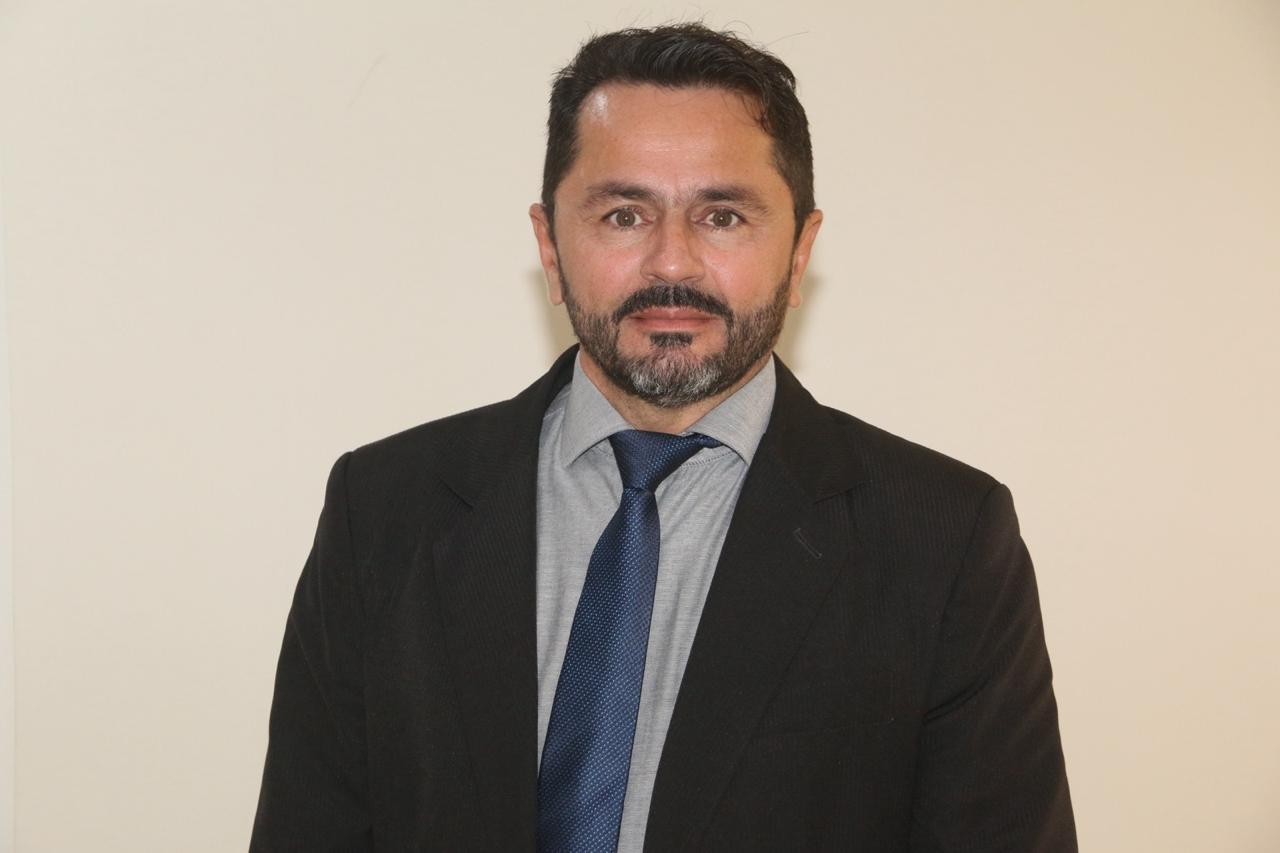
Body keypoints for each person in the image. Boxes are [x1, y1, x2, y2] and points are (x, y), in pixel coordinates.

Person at [251, 23, 1076, 852]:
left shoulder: (945, 542)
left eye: (722, 216)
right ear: (550, 247)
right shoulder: (381, 512)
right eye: (623, 214)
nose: (671, 263)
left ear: (799, 254)